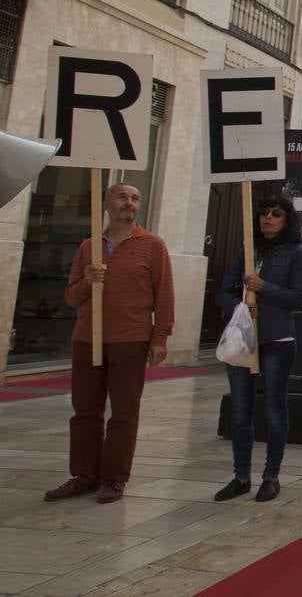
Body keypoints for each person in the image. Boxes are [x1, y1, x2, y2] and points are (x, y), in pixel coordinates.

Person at [45, 183, 176, 505]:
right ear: (106, 204)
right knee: (85, 410)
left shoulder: (153, 245)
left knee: (124, 411)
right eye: (122, 197)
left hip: (131, 338)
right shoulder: (89, 246)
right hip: (87, 337)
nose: (129, 203)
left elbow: (164, 293)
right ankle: (84, 475)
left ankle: (114, 478)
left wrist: (160, 336)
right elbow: (71, 297)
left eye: (135, 198)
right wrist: (88, 281)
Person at [213, 195, 302, 503]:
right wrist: (239, 306)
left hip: (276, 341)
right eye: (264, 212)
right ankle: (241, 475)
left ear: (286, 219)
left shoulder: (296, 252)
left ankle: (271, 475)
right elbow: (223, 292)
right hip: (243, 339)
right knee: (241, 410)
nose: (268, 217)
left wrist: (264, 287)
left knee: (273, 409)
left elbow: (298, 297)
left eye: (276, 213)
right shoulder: (248, 250)